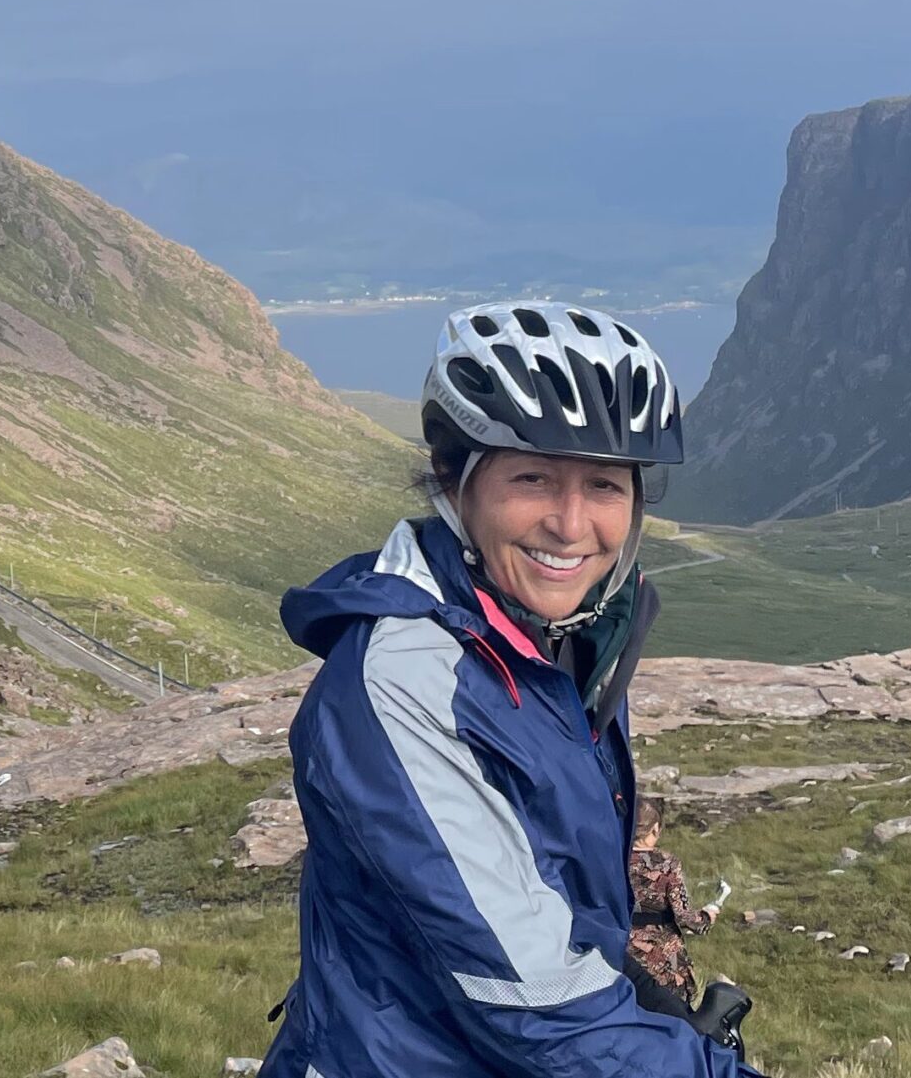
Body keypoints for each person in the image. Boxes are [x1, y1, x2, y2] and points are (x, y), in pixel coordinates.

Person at [262, 300, 760, 1077]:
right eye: (532, 477)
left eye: (603, 484)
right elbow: (535, 1006)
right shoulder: (402, 679)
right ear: (453, 479)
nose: (570, 523)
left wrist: (635, 992)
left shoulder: (562, 640)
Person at [628, 795, 718, 1013]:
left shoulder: (611, 859)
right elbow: (684, 916)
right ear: (655, 828)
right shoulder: (667, 864)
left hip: (621, 949)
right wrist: (706, 917)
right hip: (662, 956)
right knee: (672, 1018)